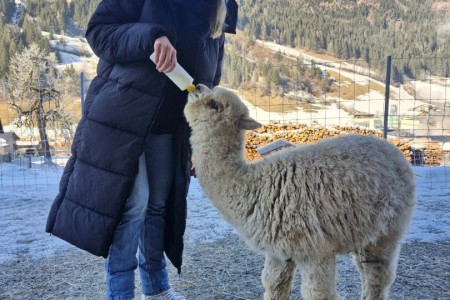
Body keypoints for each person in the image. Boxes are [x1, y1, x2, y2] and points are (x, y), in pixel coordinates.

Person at [45, 0, 238, 299]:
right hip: (122, 118)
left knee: (158, 205)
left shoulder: (217, 10)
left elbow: (210, 81)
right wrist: (151, 38)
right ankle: (120, 293)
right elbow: (98, 32)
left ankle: (157, 290)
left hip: (169, 128)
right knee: (133, 205)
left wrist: (200, 141)